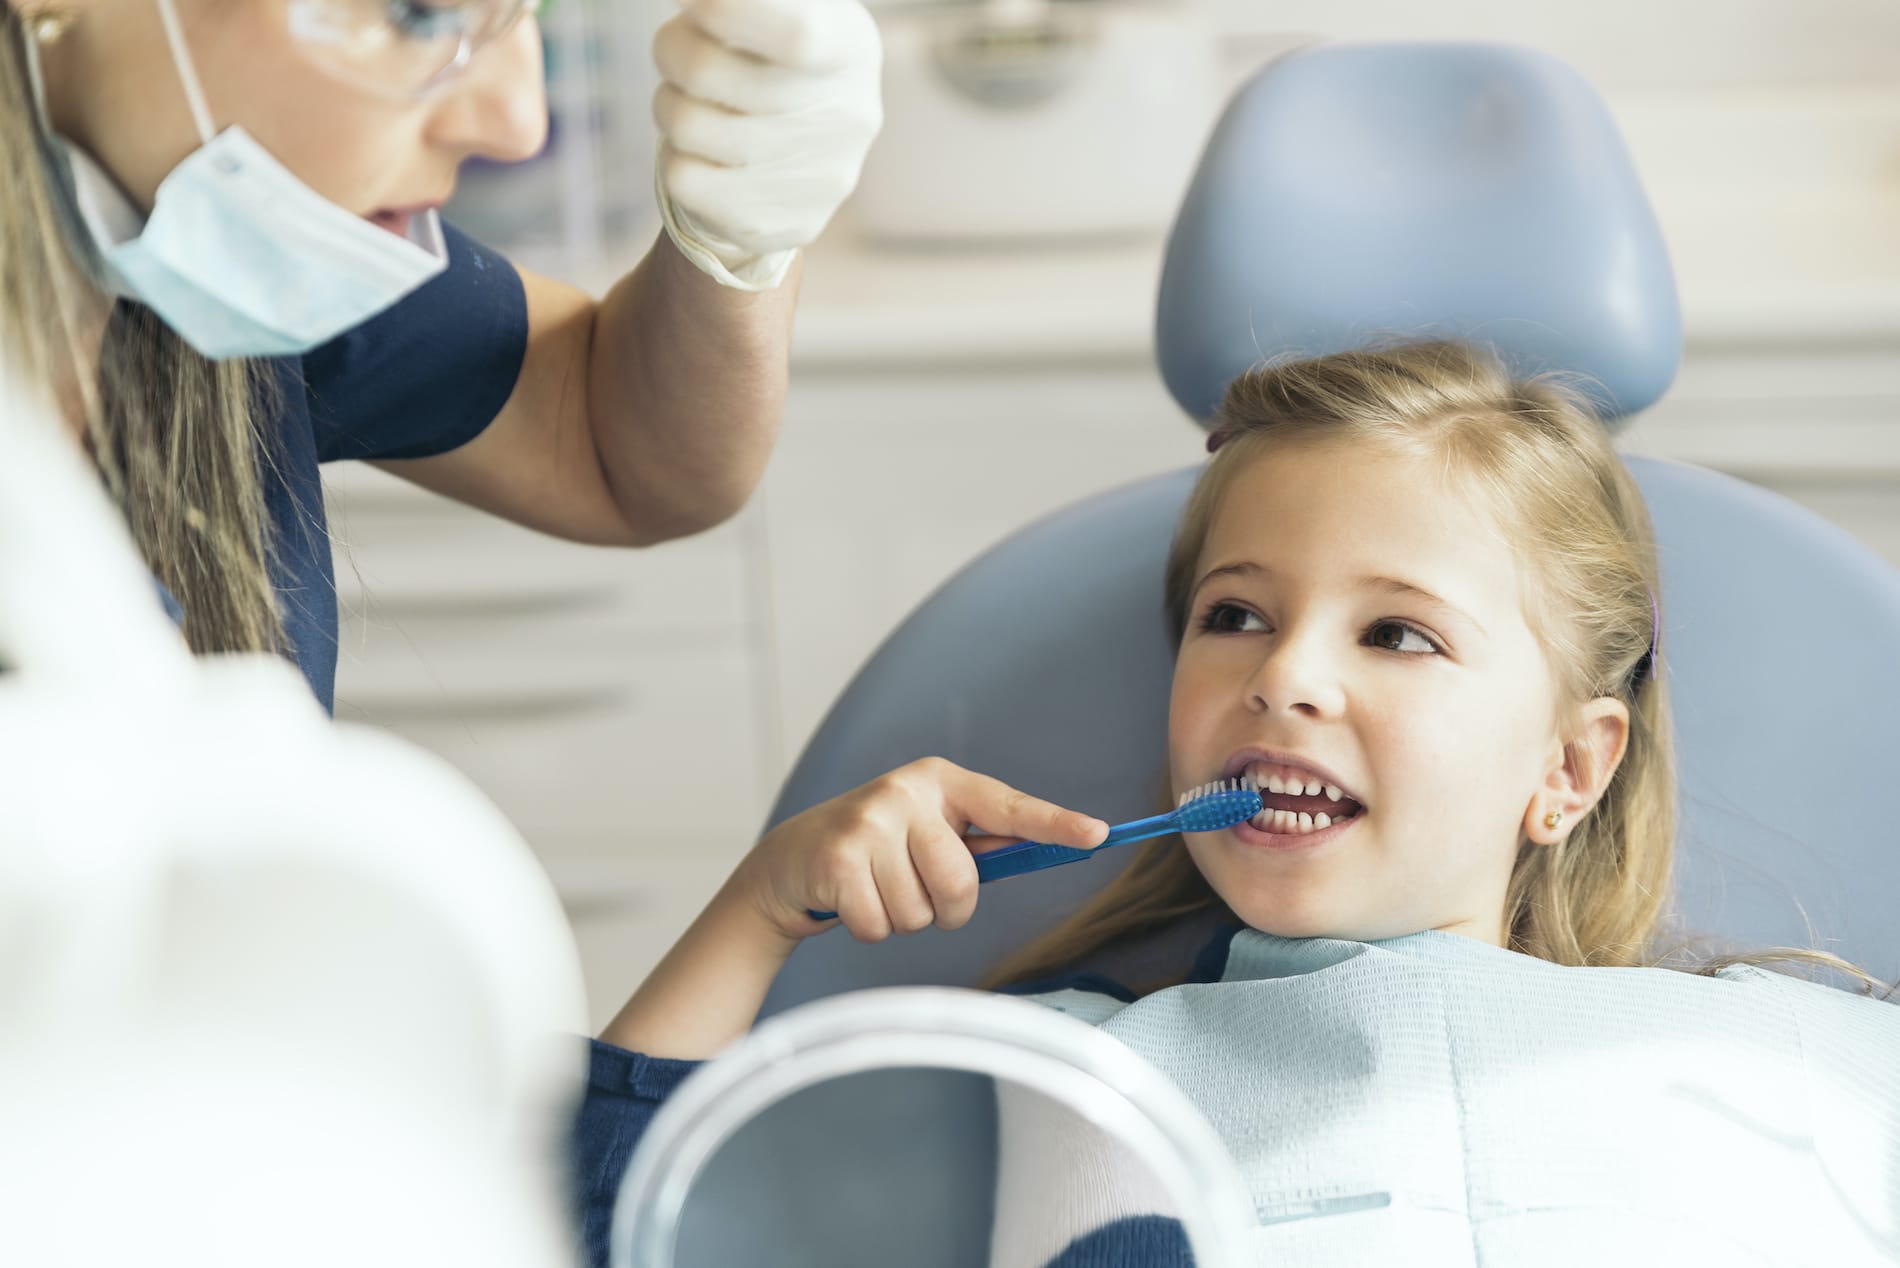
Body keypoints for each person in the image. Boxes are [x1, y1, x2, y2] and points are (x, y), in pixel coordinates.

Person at [574, 341, 1900, 1267]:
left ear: (1569, 768)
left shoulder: (1778, 1051)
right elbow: (595, 1230)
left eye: (1397, 635)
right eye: (1236, 616)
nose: (1284, 677)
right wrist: (759, 910)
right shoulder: (1070, 1069)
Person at [3, 0, 882, 713]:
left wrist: (740, 231)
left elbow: (615, 446)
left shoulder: (221, 240)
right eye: (418, 14)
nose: (517, 125)